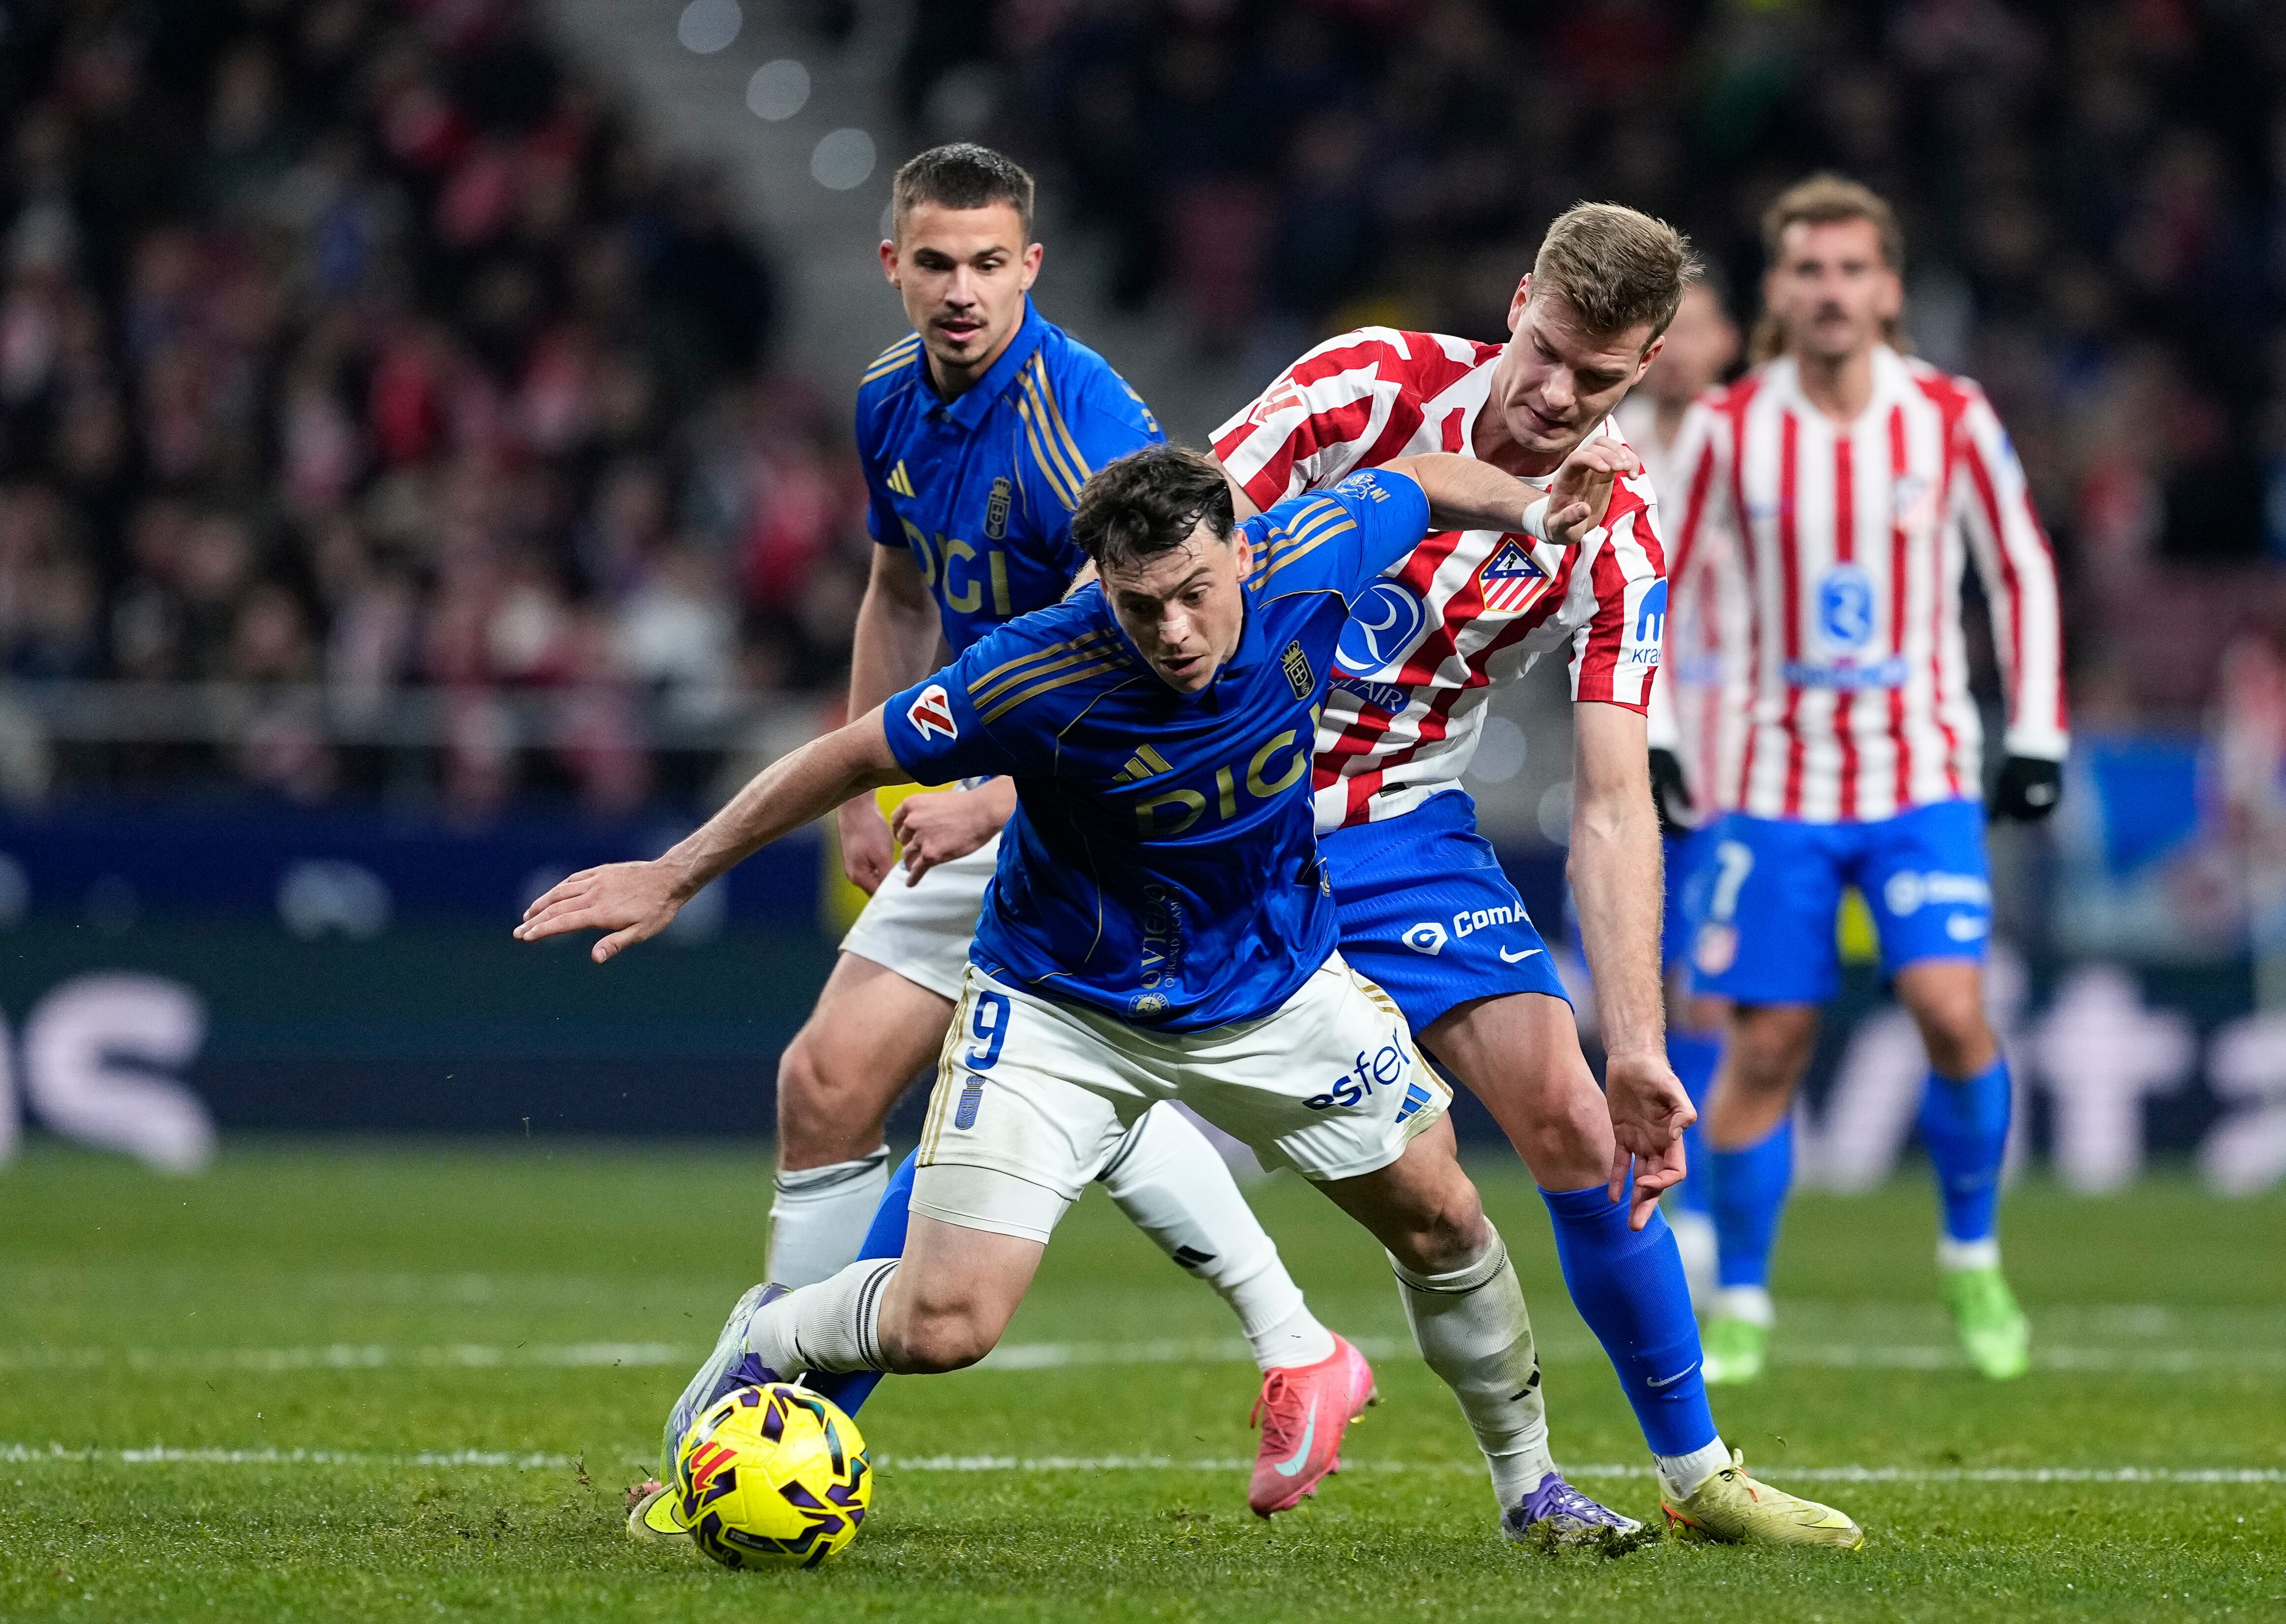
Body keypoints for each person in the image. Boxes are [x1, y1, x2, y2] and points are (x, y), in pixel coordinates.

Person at [523, 441, 1708, 1545]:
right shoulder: (1035, 669)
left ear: (1244, 548)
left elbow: (1416, 476)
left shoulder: (1314, 549)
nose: (1174, 629)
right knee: (947, 1325)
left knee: (1445, 1216)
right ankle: (766, 1334)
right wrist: (674, 873)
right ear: (1101, 583)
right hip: (1061, 1008)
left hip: (1277, 988)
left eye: (1194, 589)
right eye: (1140, 603)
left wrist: (1531, 504)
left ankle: (1530, 1489)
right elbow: (850, 754)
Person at [1203, 202, 1859, 1545]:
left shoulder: (1617, 534)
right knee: (1015, 1096)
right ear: (1516, 303)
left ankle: (1700, 1472)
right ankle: (789, 1384)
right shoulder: (1360, 383)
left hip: (1397, 828)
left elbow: (1617, 801)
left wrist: (1641, 1044)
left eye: (1599, 375)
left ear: (1650, 365)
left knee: (1575, 1109)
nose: (1558, 393)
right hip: (1212, 806)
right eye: (1547, 350)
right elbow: (1168, 545)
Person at [756, 143, 1348, 1505]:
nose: (962, 292)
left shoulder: (1087, 436)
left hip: (1092, 807)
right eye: (936, 264)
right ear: (893, 265)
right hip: (978, 800)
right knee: (826, 1083)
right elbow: (899, 591)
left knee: (1060, 1059)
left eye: (989, 264)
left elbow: (1163, 662)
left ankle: (764, 1397)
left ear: (1032, 266)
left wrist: (994, 794)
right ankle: (778, 1410)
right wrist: (880, 786)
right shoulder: (887, 401)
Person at [1658, 174, 2066, 1385]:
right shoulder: (1732, 427)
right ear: (1776, 289)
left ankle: (1971, 1250)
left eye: (1851, 271)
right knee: (1768, 1039)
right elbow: (1659, 583)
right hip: (1775, 785)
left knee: (1950, 1008)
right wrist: (1667, 727)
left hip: (1921, 775)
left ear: (1887, 288)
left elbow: (2022, 567)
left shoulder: (1946, 414)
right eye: (1807, 271)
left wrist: (2034, 730)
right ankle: (1740, 1296)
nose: (1830, 292)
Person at [1613, 274, 1747, 1302]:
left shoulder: (1755, 446)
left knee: (1705, 978)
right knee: (1643, 970)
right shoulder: (1606, 441)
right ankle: (1653, 1194)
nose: (1678, 345)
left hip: (1739, 749)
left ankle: (1698, 1211)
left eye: (1695, 326)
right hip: (1626, 737)